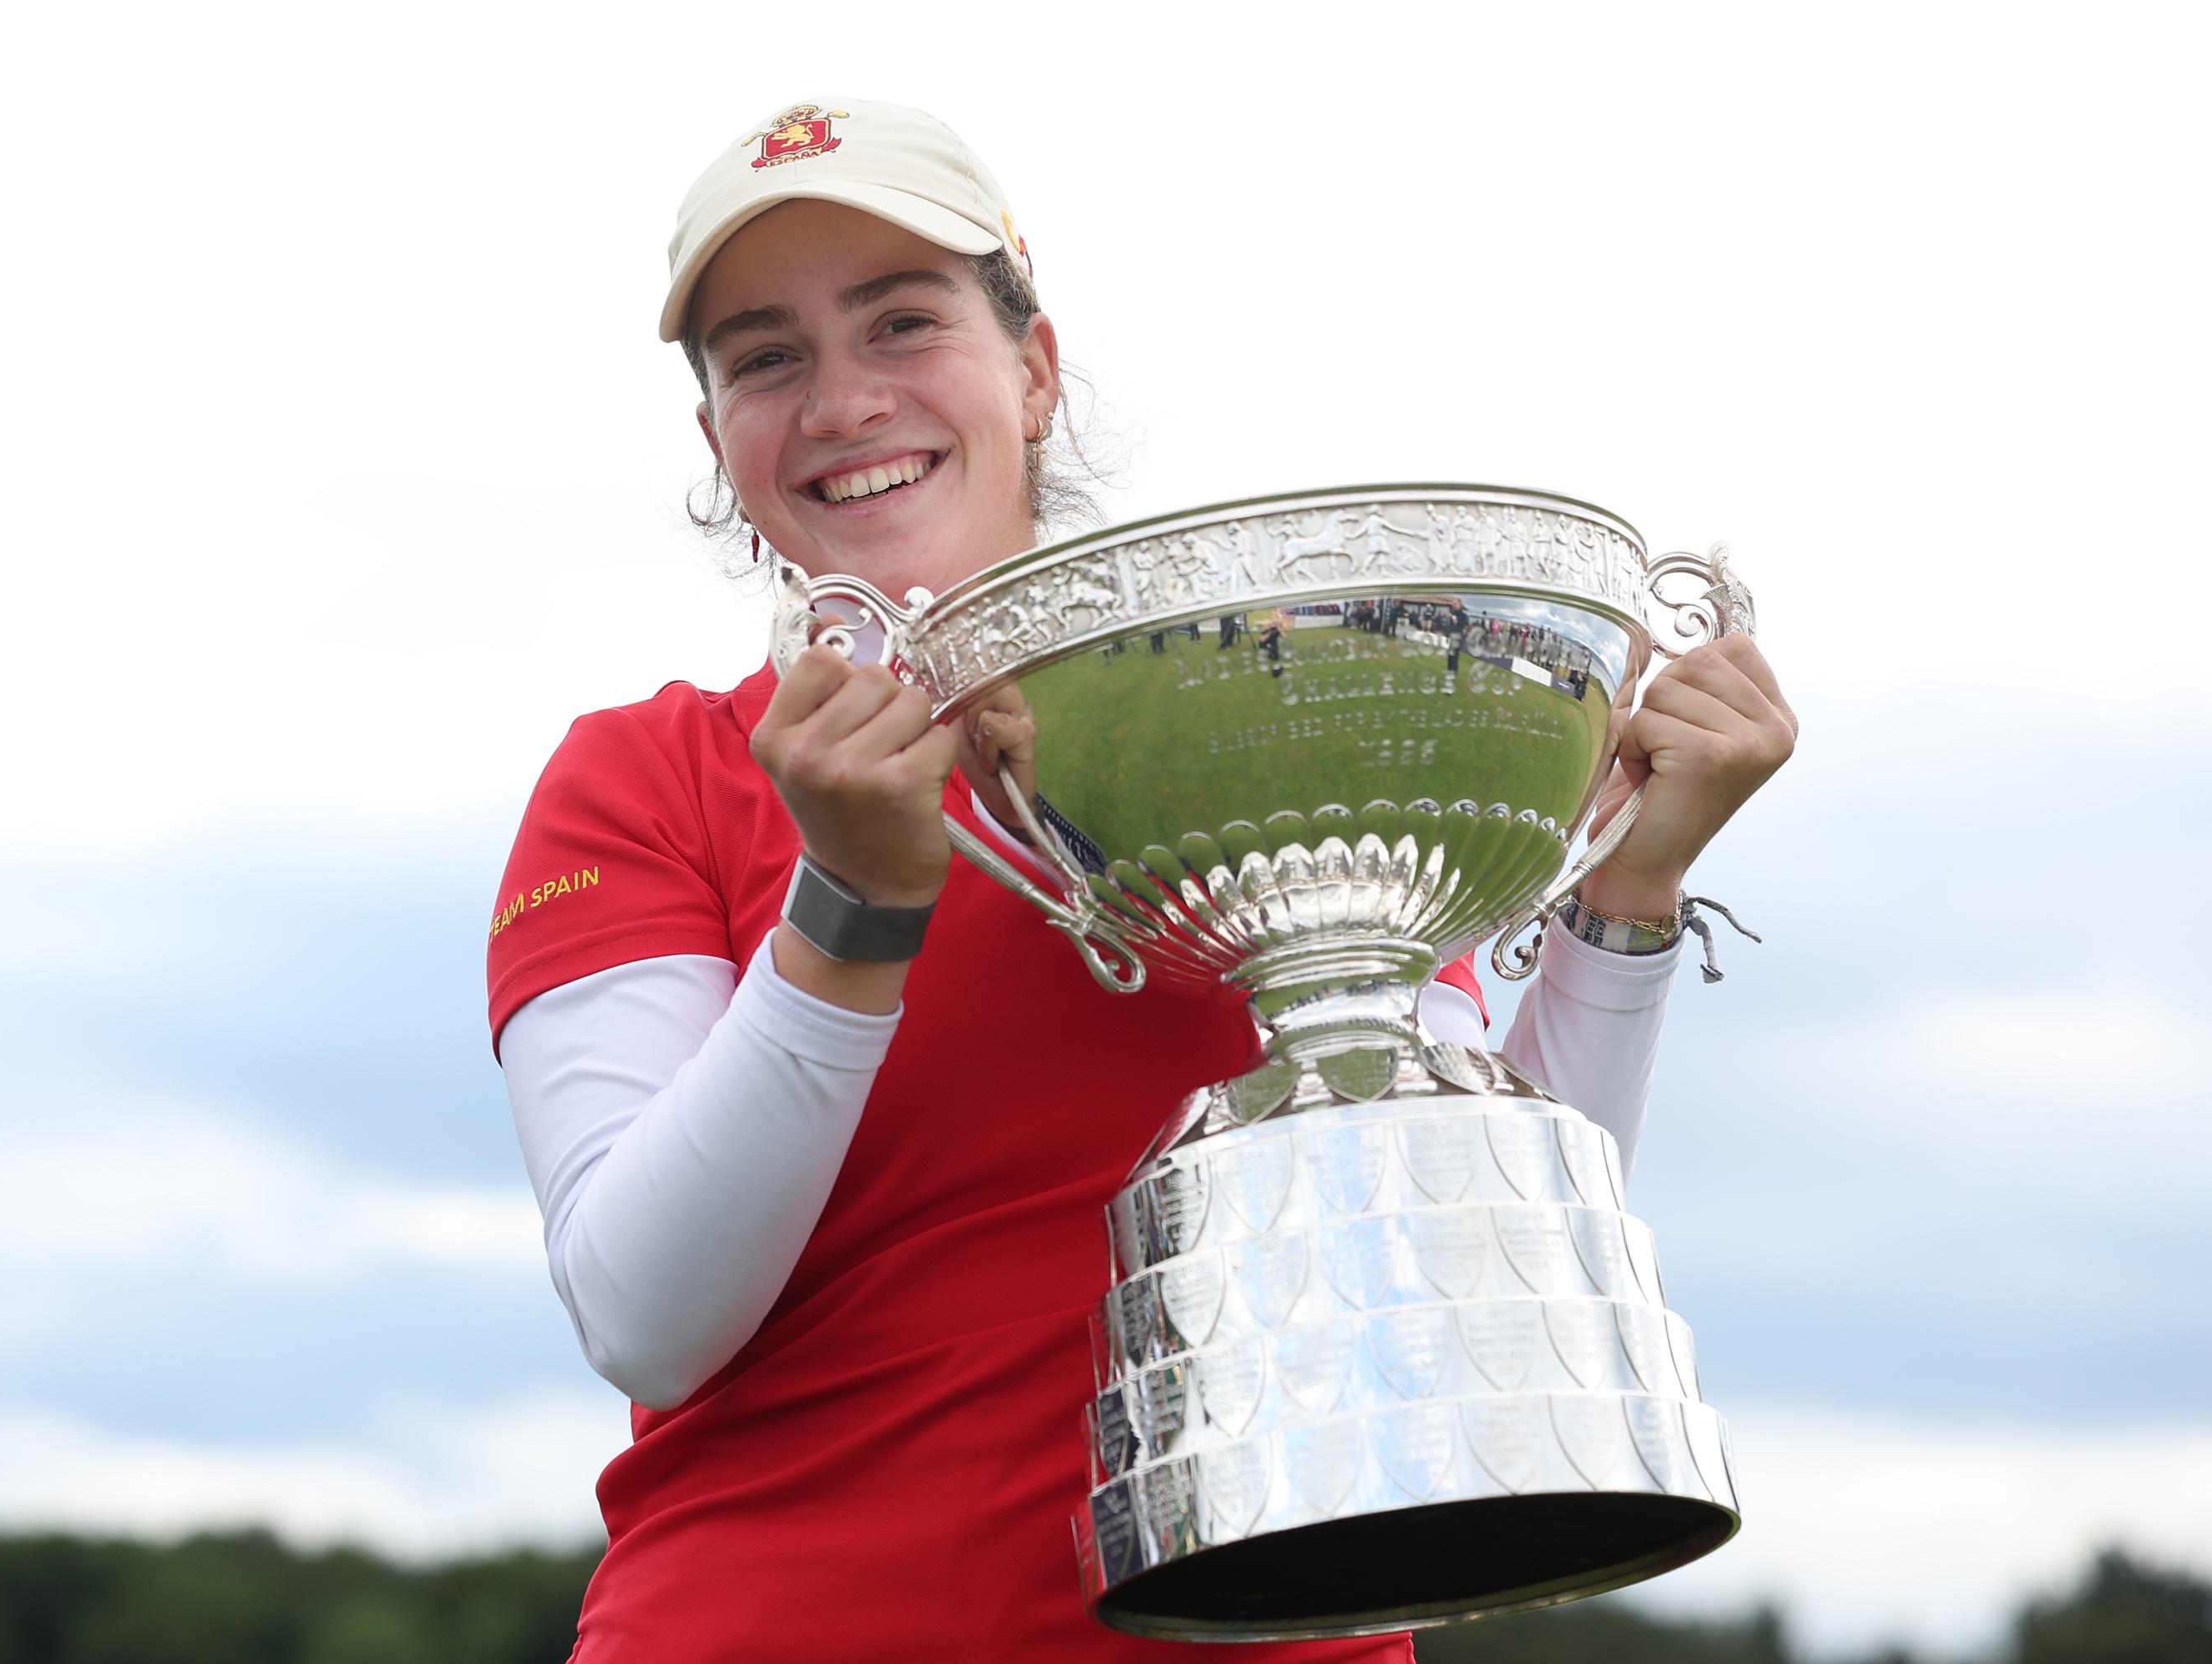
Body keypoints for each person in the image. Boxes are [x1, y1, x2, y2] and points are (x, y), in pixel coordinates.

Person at [486, 97, 1796, 1664]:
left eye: (903, 322)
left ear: (1032, 372)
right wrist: (848, 911)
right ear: (719, 443)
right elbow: (646, 1316)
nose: (842, 399)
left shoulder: (1284, 717)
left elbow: (1468, 1243)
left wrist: (1626, 902)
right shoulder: (645, 780)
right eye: (766, 357)